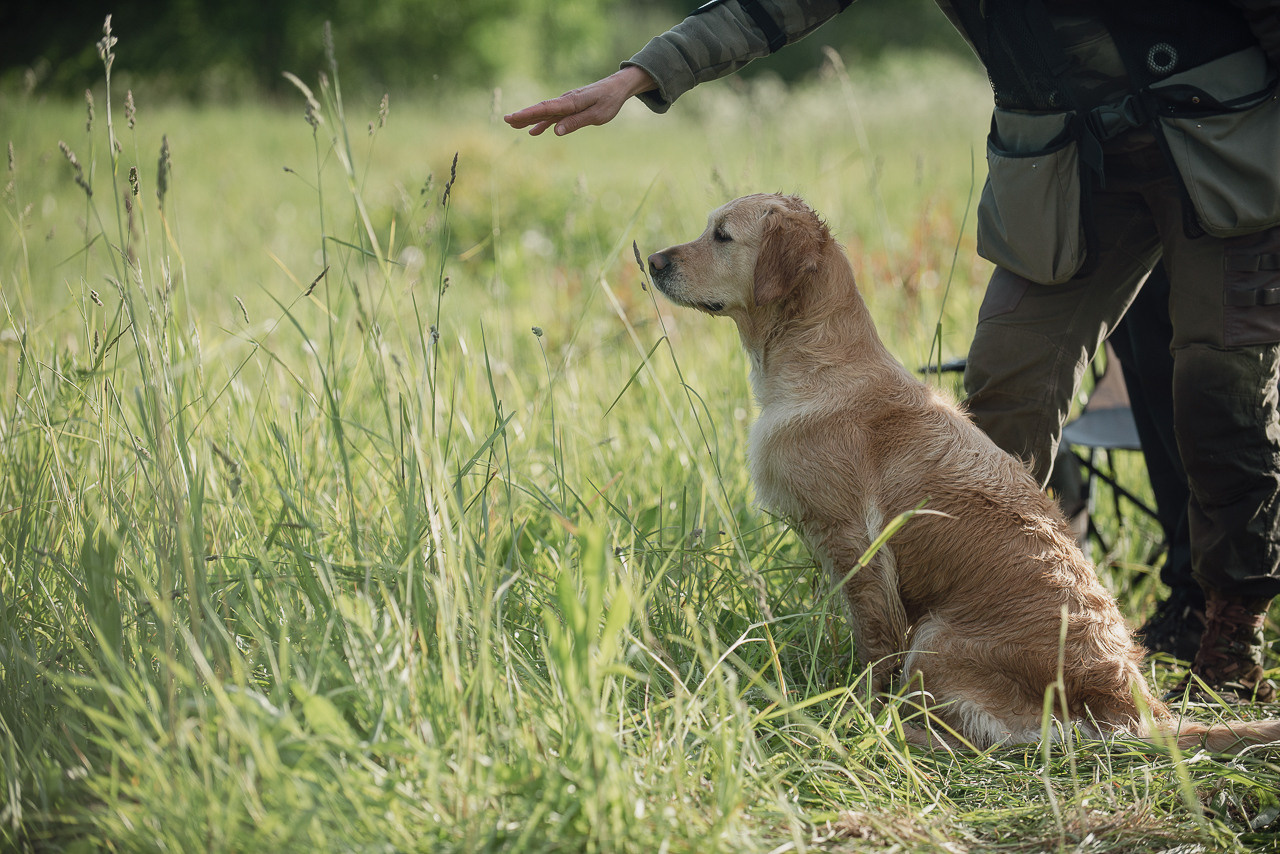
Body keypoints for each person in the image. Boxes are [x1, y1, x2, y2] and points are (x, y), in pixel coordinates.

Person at [506, 0, 1280, 702]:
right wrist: (643, 73)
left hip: (1218, 134)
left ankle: (1229, 629)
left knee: (1221, 384)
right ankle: (1007, 637)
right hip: (1069, 164)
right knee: (1007, 380)